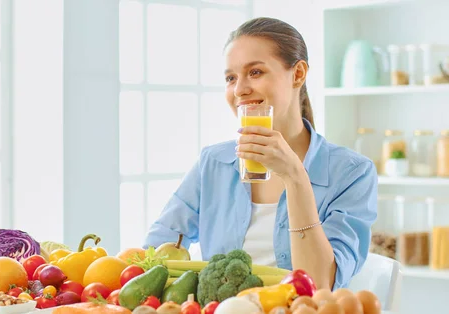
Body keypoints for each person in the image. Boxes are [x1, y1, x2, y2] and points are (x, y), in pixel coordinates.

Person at [142, 17, 377, 291]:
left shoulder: (352, 173)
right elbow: (153, 252)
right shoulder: (213, 163)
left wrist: (295, 177)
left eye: (255, 72)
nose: (239, 89)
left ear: (298, 74)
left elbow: (318, 285)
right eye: (231, 78)